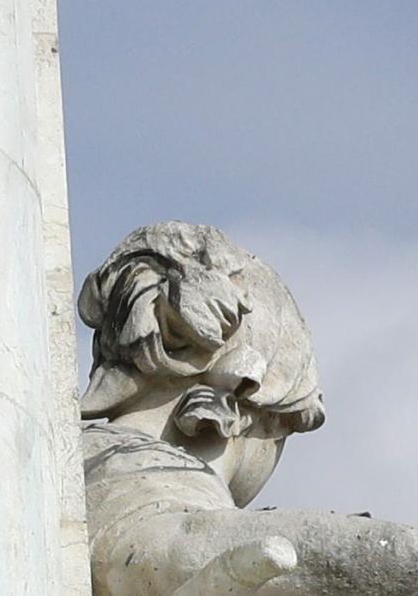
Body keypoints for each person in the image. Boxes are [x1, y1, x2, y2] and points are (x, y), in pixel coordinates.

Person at [81, 223, 418, 596]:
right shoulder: (139, 478)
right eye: (280, 431)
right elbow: (182, 545)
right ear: (240, 394)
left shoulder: (84, 462)